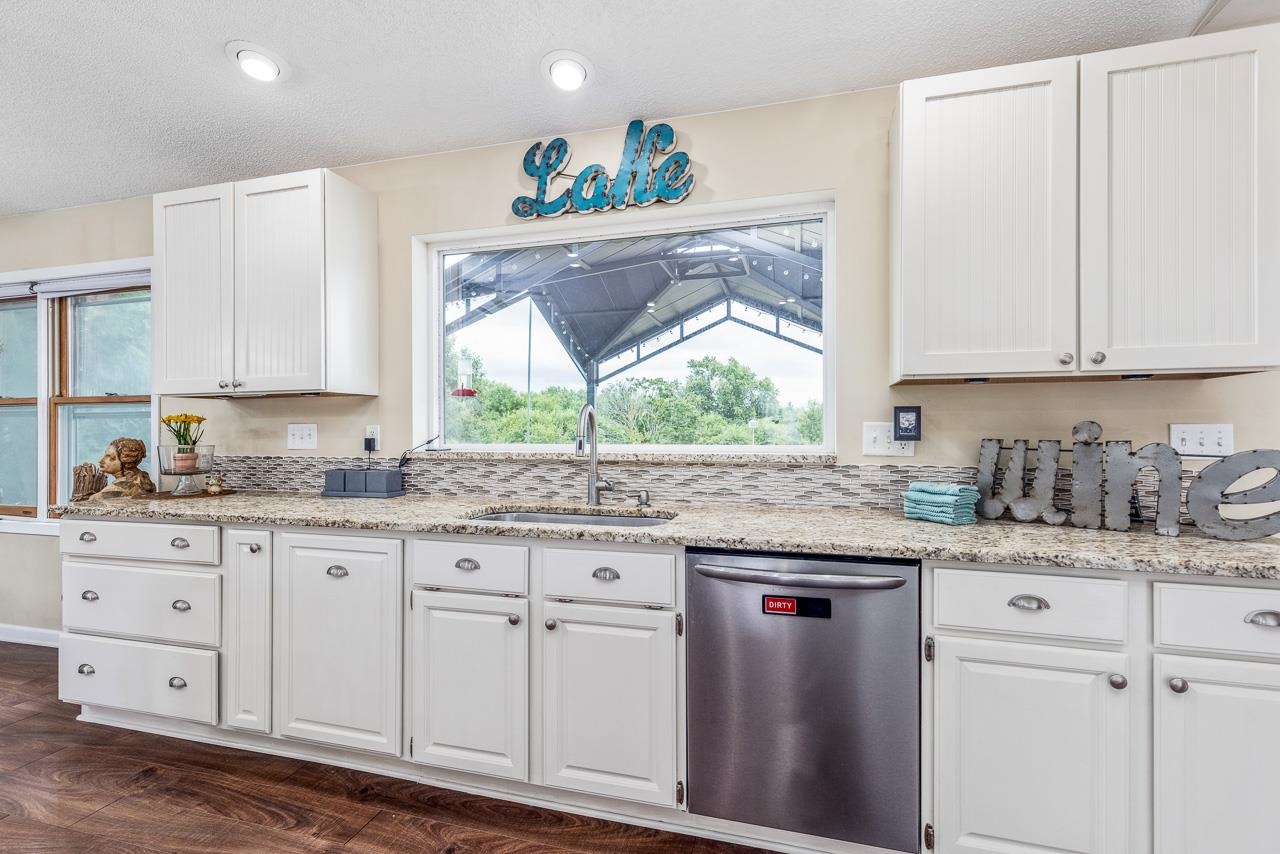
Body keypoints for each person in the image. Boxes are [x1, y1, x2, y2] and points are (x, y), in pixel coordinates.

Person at [87, 437, 156, 500]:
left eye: (109, 457)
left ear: (125, 462)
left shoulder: (118, 488)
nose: (101, 461)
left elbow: (89, 502)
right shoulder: (142, 479)